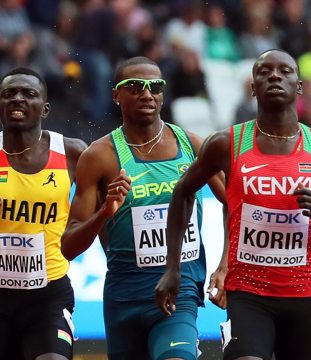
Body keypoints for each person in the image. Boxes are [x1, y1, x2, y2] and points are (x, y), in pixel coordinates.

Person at [155, 49, 311, 360]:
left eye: (284, 71)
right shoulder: (226, 143)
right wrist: (172, 267)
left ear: (299, 86)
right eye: (264, 72)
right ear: (252, 87)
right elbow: (183, 192)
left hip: (304, 294)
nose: (274, 76)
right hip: (247, 293)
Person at [60, 56, 225, 360]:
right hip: (124, 295)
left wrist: (226, 265)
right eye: (135, 86)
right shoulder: (100, 157)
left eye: (155, 86)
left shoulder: (192, 145)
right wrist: (104, 213)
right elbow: (68, 247)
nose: (147, 94)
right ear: (116, 95)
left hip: (180, 289)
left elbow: (236, 203)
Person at [0, 67, 87, 360]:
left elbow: (98, 217)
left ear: (44, 108)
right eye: (8, 95)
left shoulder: (72, 152)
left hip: (50, 294)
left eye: (28, 94)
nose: (17, 99)